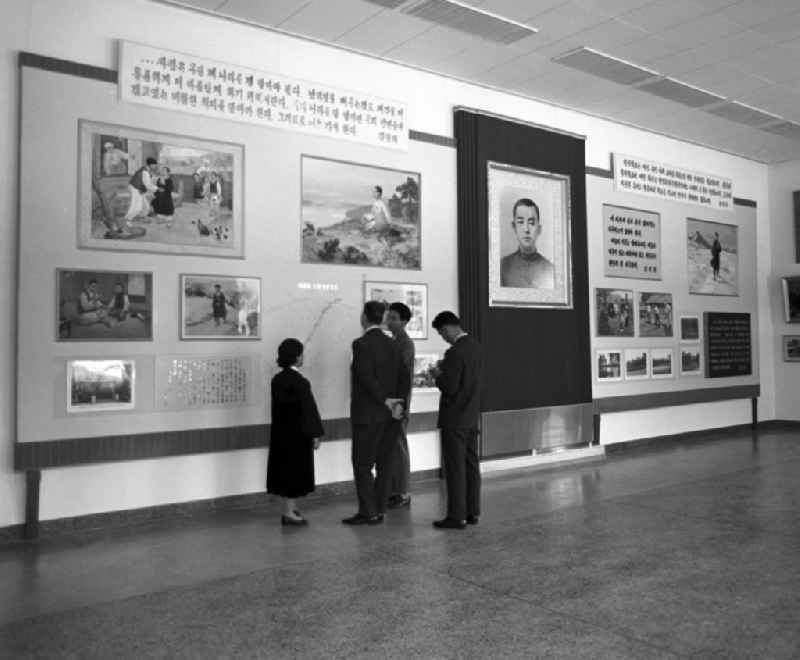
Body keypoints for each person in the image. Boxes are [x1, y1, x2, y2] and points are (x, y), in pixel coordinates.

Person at [342, 301, 409, 525]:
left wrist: (384, 400)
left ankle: (368, 511)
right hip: (391, 416)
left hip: (368, 415)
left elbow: (365, 376)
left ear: (364, 317)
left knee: (362, 465)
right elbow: (404, 378)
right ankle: (380, 509)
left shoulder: (360, 344)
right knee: (384, 463)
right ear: (382, 319)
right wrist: (398, 405)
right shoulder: (394, 344)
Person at [430, 311, 482, 530]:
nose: (443, 337)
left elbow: (450, 387)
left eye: (442, 332)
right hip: (471, 416)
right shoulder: (475, 346)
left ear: (450, 327)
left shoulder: (454, 352)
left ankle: (456, 516)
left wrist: (437, 374)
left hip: (454, 419)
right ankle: (472, 512)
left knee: (455, 469)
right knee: (471, 466)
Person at [266, 339, 324, 526]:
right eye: (301, 353)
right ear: (297, 357)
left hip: (281, 435)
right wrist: (315, 434)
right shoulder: (300, 382)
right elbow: (309, 410)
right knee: (294, 474)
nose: (303, 357)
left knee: (284, 473)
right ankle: (289, 513)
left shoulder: (278, 379)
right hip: (298, 436)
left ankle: (290, 508)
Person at [385, 302, 415, 509]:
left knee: (399, 447)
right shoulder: (393, 341)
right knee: (391, 448)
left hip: (399, 403)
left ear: (404, 321)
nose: (390, 321)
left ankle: (403, 492)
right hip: (390, 403)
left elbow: (400, 376)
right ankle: (394, 490)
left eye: (395, 318)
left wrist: (401, 407)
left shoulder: (405, 343)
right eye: (389, 317)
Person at [500, 198, 554, 289]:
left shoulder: (550, 269)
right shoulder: (502, 267)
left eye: (531, 223)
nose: (526, 229)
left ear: (539, 229)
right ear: (514, 227)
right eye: (521, 222)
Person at [124, 157, 159, 225]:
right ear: (151, 165)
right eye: (155, 165)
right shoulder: (145, 172)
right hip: (136, 188)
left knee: (146, 206)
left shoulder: (145, 169)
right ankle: (128, 220)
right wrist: (157, 189)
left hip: (139, 188)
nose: (155, 166)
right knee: (137, 207)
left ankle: (143, 217)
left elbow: (148, 182)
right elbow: (148, 185)